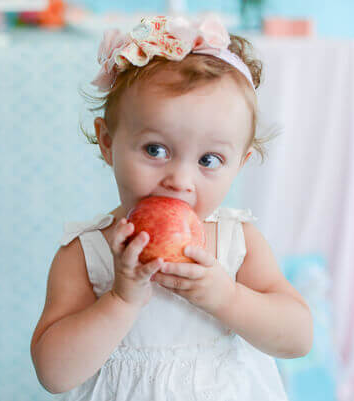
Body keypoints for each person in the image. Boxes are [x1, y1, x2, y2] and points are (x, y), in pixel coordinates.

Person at [30, 14, 313, 400]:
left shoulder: (236, 242)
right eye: (155, 150)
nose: (180, 180)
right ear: (107, 142)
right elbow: (53, 374)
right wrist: (120, 299)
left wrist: (227, 298)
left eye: (209, 160)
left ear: (239, 165)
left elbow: (298, 338)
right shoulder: (86, 253)